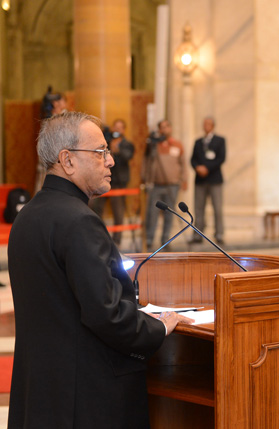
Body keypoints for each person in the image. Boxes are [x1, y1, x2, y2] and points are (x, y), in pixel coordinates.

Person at [7, 111, 192, 428]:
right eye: (100, 152)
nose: (111, 161)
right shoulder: (79, 221)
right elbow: (106, 315)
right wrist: (159, 327)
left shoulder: (28, 216)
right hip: (86, 396)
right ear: (68, 161)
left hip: (41, 391)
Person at [143, 119, 188, 249]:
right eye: (161, 127)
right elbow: (146, 162)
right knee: (152, 213)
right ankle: (150, 238)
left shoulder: (177, 145)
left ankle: (166, 239)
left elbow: (183, 163)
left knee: (170, 213)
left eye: (166, 127)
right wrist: (145, 178)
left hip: (172, 185)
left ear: (171, 128)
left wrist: (184, 179)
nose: (164, 130)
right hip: (156, 184)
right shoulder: (154, 145)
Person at [90, 119, 135, 246]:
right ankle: (100, 236)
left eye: (120, 128)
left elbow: (128, 156)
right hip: (103, 179)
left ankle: (117, 241)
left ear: (124, 130)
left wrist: (117, 150)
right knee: (95, 207)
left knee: (118, 212)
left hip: (119, 182)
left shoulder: (127, 144)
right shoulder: (106, 141)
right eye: (115, 127)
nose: (117, 130)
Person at [190, 117, 227, 245]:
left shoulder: (220, 140)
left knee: (217, 208)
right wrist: (197, 168)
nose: (206, 126)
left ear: (213, 126)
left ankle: (219, 233)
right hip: (200, 180)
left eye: (208, 124)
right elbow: (193, 159)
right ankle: (198, 234)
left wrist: (207, 168)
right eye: (204, 124)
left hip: (215, 179)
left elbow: (221, 158)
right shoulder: (198, 142)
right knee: (199, 208)